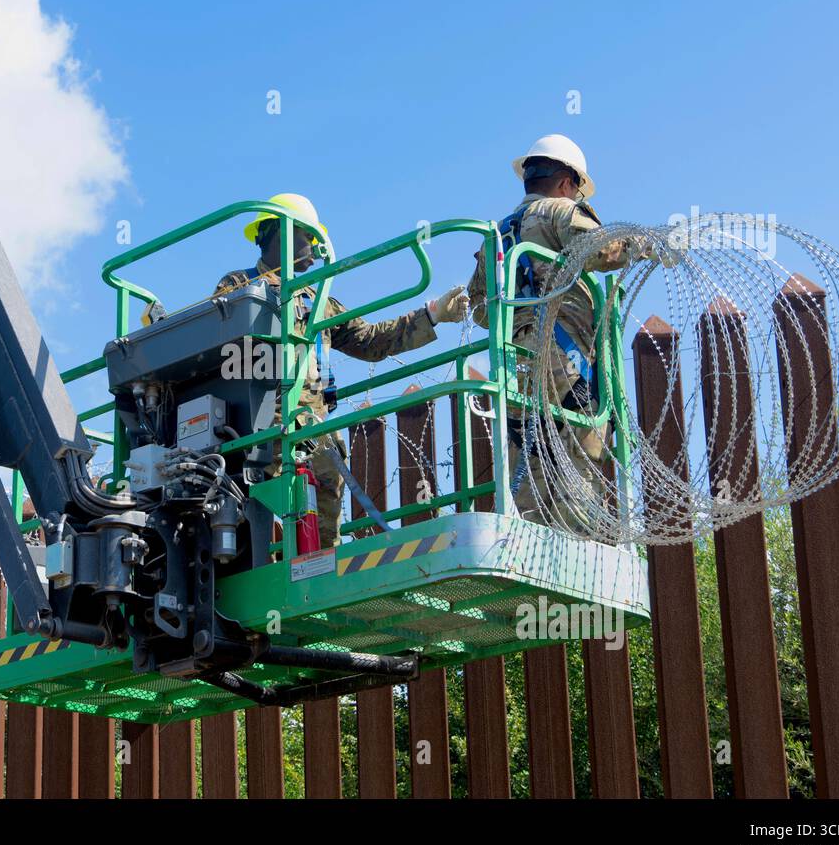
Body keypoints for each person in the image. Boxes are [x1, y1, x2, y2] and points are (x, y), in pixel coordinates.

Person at [215, 193, 469, 546]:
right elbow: (219, 339)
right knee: (255, 519)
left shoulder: (319, 302)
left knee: (321, 527)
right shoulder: (239, 287)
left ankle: (316, 576)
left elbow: (370, 340)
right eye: (309, 237)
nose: (315, 246)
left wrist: (432, 314)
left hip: (312, 430)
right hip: (255, 425)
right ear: (281, 233)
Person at [467, 135, 652, 531]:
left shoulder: (495, 235)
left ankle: (529, 555)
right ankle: (578, 559)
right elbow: (603, 251)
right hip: (568, 363)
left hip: (517, 369)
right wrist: (646, 245)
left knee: (531, 472)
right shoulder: (558, 212)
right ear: (568, 182)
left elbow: (480, 309)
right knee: (580, 469)